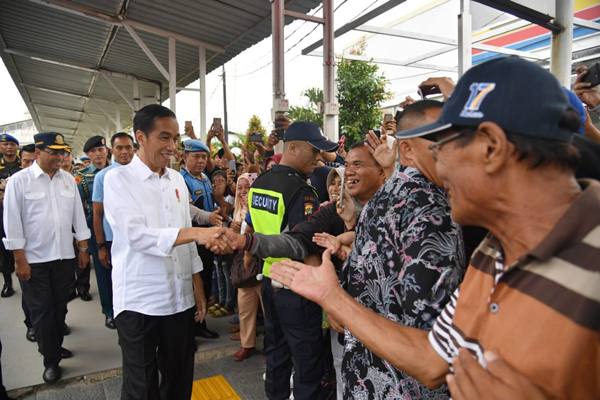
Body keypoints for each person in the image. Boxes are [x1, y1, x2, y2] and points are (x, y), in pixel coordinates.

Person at [271, 57, 600, 399]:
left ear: (491, 147)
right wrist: (331, 297)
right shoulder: (494, 251)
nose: (437, 165)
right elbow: (433, 358)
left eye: (442, 146)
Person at [104, 104, 223, 400]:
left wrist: (197, 285)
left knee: (179, 379)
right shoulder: (117, 181)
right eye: (164, 138)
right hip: (139, 300)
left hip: (178, 299)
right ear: (140, 137)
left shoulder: (176, 180)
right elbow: (138, 237)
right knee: (141, 387)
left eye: (175, 140)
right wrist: (198, 232)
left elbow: (183, 234)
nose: (172, 147)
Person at [248, 121, 338, 400]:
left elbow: (253, 229)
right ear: (293, 148)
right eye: (314, 151)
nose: (319, 158)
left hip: (268, 281)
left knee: (276, 354)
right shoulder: (302, 191)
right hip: (296, 287)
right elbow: (304, 244)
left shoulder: (260, 182)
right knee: (308, 363)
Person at [3, 132, 90, 383]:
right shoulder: (19, 182)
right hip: (34, 260)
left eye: (63, 153)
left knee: (60, 306)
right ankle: (50, 360)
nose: (61, 157)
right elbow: (12, 223)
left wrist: (83, 250)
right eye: (55, 152)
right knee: (42, 311)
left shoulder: (67, 181)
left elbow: (78, 218)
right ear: (38, 152)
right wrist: (20, 260)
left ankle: (53, 343)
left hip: (64, 256)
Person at [91, 132, 135, 329]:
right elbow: (97, 214)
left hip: (134, 237)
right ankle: (110, 312)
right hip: (110, 239)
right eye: (119, 148)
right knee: (108, 278)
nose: (124, 152)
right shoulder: (102, 177)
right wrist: (100, 246)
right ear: (112, 150)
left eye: (128, 147)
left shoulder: (141, 173)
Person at [180, 139, 222, 339]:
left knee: (204, 278)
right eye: (196, 157)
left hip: (208, 235)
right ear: (185, 157)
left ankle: (199, 323)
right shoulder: (181, 180)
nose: (200, 161)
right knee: (192, 282)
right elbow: (187, 209)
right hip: (192, 236)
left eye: (204, 157)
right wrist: (208, 216)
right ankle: (190, 327)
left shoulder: (204, 178)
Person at [74, 135, 109, 302]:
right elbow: (78, 208)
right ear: (88, 154)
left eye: (101, 149)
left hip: (119, 225)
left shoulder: (119, 170)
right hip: (95, 225)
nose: (98, 154)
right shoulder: (81, 177)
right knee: (103, 269)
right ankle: (109, 310)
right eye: (93, 151)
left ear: (107, 150)